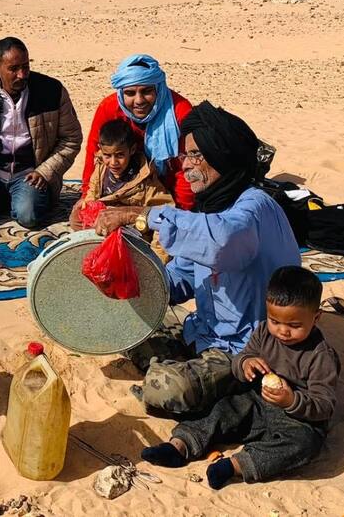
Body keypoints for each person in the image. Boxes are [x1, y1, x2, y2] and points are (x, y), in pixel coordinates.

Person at [93, 101, 300, 415]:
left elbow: (220, 241)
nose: (186, 166)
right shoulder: (211, 211)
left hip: (247, 349)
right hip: (205, 332)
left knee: (165, 389)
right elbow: (181, 277)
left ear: (222, 156)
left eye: (195, 156)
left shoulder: (252, 208)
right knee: (127, 329)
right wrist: (134, 279)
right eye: (185, 155)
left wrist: (142, 215)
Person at [141, 266, 340, 490]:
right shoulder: (264, 331)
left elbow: (324, 406)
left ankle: (236, 465)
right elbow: (241, 359)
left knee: (305, 444)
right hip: (256, 402)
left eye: (294, 326)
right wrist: (246, 364)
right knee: (222, 408)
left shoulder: (321, 356)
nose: (283, 331)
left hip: (296, 420)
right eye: (275, 321)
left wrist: (291, 401)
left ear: (316, 317)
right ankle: (180, 445)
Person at [0, 37, 82, 229]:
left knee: (27, 216)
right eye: (13, 69)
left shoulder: (52, 91)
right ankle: (5, 198)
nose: (22, 75)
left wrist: (45, 171)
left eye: (26, 66)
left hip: (31, 174)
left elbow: (71, 138)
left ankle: (19, 199)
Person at [81, 54, 195, 209]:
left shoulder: (179, 111)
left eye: (146, 91)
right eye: (130, 93)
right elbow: (95, 155)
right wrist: (87, 199)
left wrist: (178, 212)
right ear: (121, 93)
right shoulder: (109, 108)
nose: (139, 100)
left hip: (168, 195)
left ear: (158, 89)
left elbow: (188, 166)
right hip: (123, 190)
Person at [70, 119, 173, 259]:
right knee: (76, 216)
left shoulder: (145, 180)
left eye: (119, 155)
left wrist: (156, 260)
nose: (113, 162)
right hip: (105, 219)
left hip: (131, 228)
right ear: (101, 150)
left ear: (132, 150)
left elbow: (163, 216)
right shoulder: (101, 167)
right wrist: (88, 210)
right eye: (107, 155)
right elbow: (92, 192)